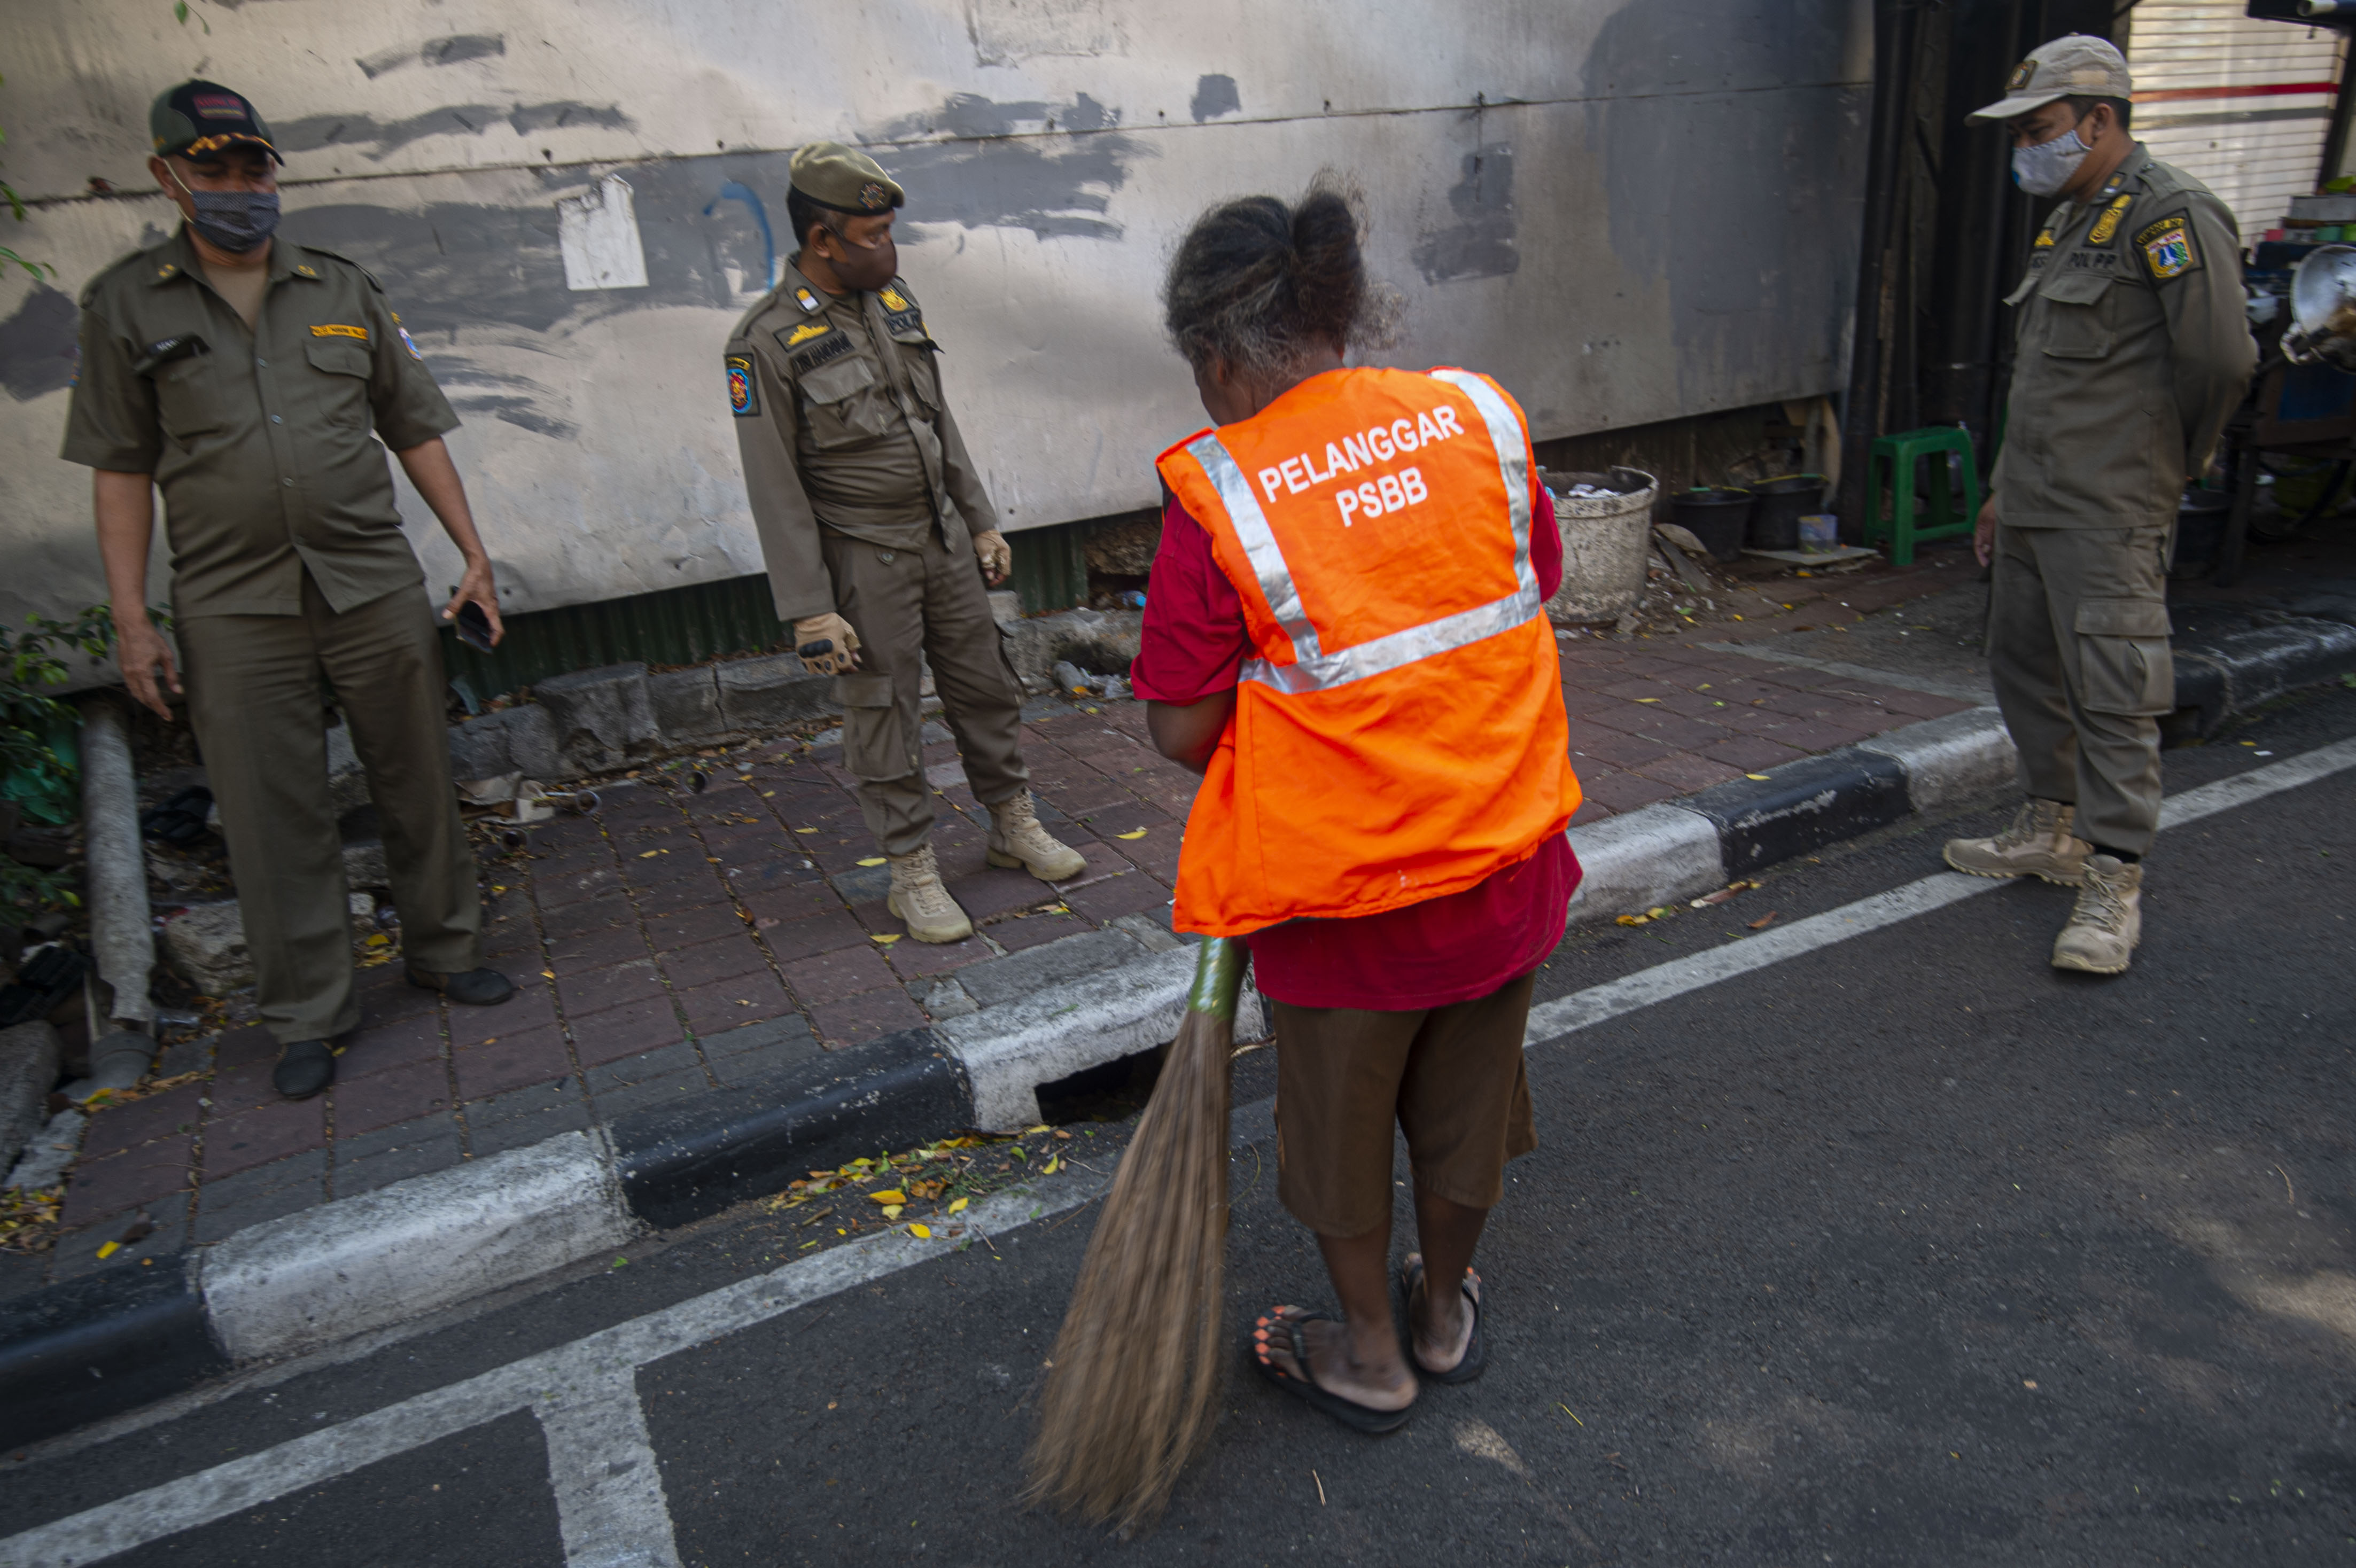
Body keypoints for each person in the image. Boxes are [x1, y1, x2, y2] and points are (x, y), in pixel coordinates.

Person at [1131, 183, 1581, 1431]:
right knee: (1467, 1114)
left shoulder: (1219, 492)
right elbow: (1520, 586)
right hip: (1504, 865)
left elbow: (1179, 724)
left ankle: (1372, 1358)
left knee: (1338, 1142)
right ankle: (1444, 1312)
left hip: (1342, 908)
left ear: (1218, 356)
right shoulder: (1477, 416)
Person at [63, 81, 515, 1100]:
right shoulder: (128, 303)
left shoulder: (340, 288)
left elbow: (413, 428)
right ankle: (310, 1011)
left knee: (414, 774)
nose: (238, 187)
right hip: (231, 601)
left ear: (273, 169)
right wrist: (133, 619)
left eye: (252, 167)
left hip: (368, 578)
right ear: (167, 175)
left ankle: (445, 950)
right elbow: (121, 469)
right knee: (273, 811)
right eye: (212, 168)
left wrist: (473, 552)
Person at [1946, 35, 2254, 974]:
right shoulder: (2071, 222)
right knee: (2024, 664)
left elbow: (2220, 362)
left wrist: (2169, 466)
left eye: (2038, 131)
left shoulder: (2170, 218)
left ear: (2099, 120)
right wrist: (2003, 487)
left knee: (2113, 692)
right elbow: (2037, 378)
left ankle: (2113, 876)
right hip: (2038, 496)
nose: (2025, 151)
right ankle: (2053, 824)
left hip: (2110, 503)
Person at [726, 143, 1085, 943]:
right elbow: (772, 482)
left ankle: (1011, 824)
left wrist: (980, 516)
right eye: (873, 236)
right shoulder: (764, 342)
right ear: (824, 241)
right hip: (863, 554)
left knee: (984, 685)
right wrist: (811, 610)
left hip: (942, 538)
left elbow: (936, 422)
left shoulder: (892, 301)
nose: (888, 251)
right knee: (882, 712)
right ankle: (912, 872)